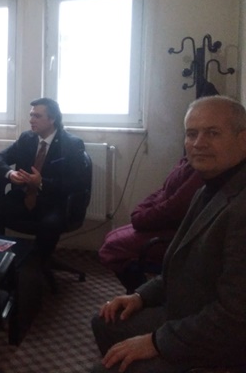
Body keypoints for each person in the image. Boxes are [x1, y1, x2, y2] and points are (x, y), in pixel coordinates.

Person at [91, 95, 246, 373]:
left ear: (243, 140)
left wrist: (157, 342)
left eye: (213, 133)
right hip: (188, 308)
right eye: (191, 134)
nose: (198, 143)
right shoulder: (208, 187)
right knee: (105, 321)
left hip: (220, 341)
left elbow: (235, 318)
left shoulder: (240, 207)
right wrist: (140, 297)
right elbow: (180, 267)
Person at [0, 97, 89, 260]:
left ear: (52, 119)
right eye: (31, 115)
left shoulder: (71, 144)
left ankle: (41, 263)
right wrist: (10, 174)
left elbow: (77, 183)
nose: (31, 120)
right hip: (23, 197)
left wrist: (41, 182)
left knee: (49, 225)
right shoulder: (27, 138)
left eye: (37, 116)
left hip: (54, 202)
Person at [98, 156, 203, 292]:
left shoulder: (201, 172)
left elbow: (173, 208)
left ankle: (142, 293)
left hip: (178, 234)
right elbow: (162, 191)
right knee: (111, 237)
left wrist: (141, 217)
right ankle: (139, 291)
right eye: (190, 139)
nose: (195, 145)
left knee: (112, 247)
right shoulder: (186, 160)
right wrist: (142, 210)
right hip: (163, 224)